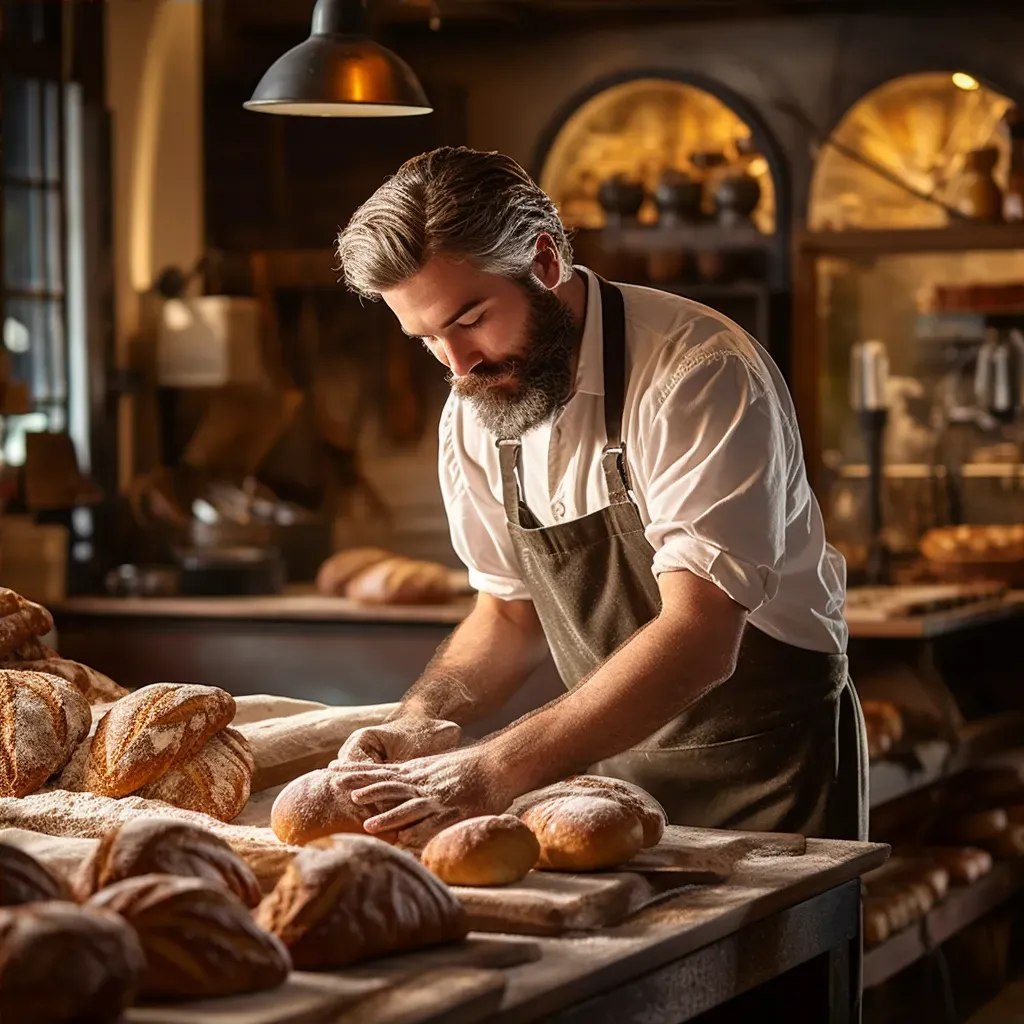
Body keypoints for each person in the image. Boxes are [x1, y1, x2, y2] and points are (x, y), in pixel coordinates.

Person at [330, 146, 866, 851]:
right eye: (427, 338)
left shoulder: (698, 374)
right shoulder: (477, 406)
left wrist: (492, 771)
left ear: (546, 262)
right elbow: (508, 615)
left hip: (766, 773)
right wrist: (418, 720)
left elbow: (701, 637)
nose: (457, 366)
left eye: (470, 319)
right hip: (606, 782)